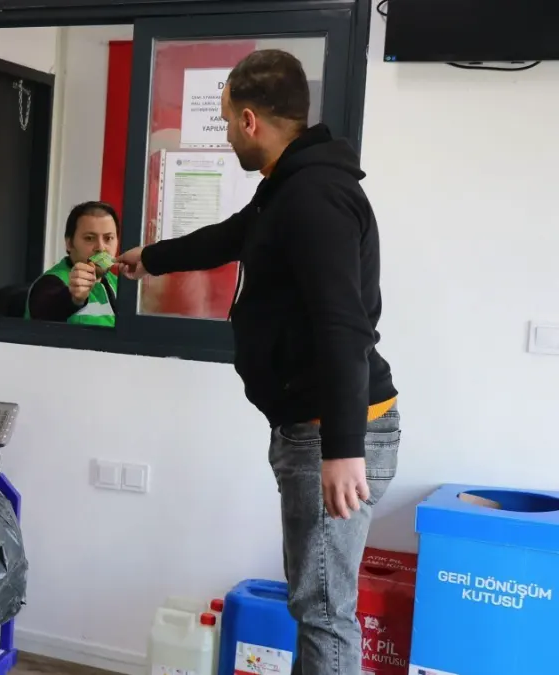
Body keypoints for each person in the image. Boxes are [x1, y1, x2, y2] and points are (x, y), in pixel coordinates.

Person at [118, 50, 399, 675]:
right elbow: (230, 236)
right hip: (317, 426)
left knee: (323, 612)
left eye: (225, 122)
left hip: (331, 430)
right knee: (315, 603)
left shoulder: (313, 197)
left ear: (250, 120)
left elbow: (343, 325)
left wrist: (342, 447)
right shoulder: (289, 187)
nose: (226, 135)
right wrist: (150, 258)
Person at [25, 201, 120, 326]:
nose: (101, 248)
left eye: (108, 238)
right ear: (69, 244)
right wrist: (74, 299)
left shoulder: (119, 284)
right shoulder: (50, 282)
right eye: (89, 238)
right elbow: (44, 310)